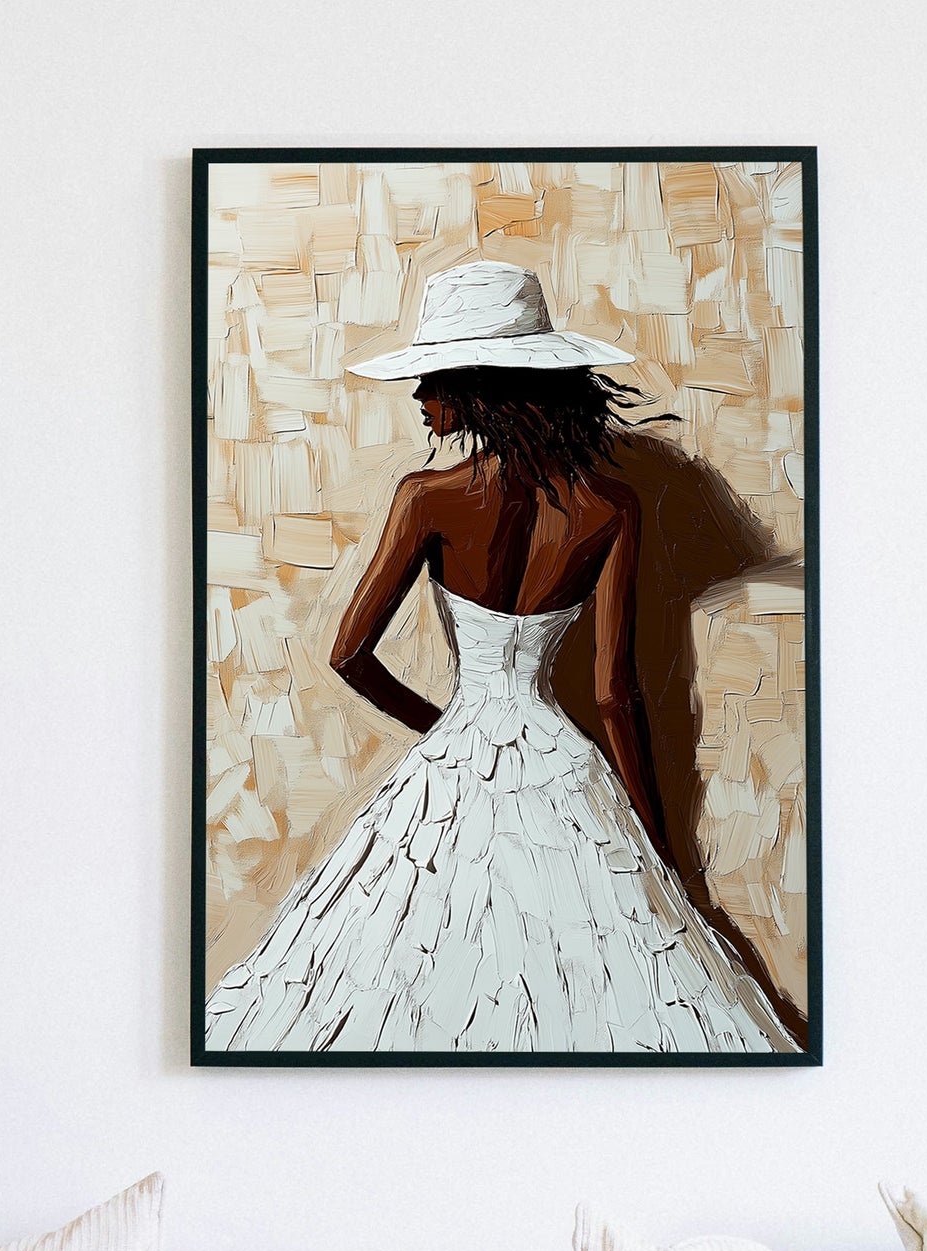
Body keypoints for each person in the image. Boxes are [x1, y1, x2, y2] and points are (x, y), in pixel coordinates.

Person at [206, 260, 794, 1054]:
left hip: (458, 755)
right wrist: (654, 839)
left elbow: (349, 654)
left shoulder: (426, 496)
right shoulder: (610, 507)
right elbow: (614, 692)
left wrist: (451, 732)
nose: (420, 396)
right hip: (563, 765)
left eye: (434, 377)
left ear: (480, 388)